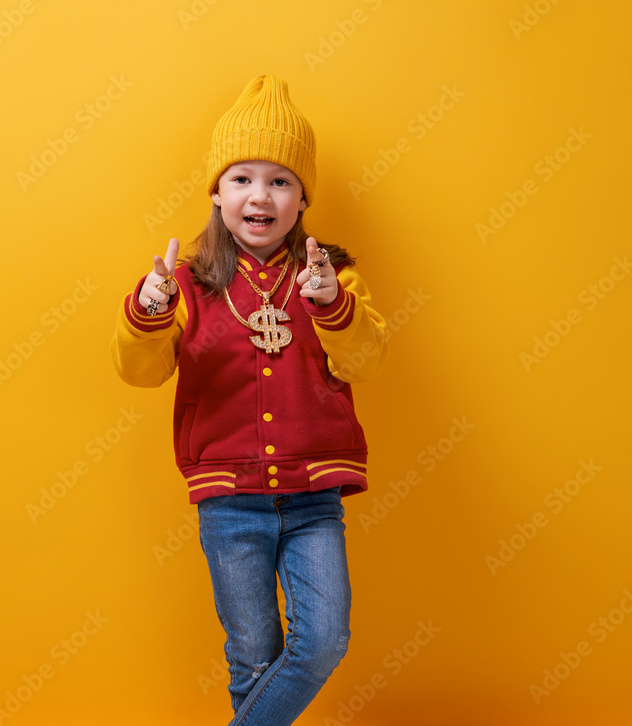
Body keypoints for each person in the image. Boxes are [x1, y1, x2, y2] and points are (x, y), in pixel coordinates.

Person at [109, 74, 389, 724]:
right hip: (229, 503)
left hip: (313, 500)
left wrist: (332, 307)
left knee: (322, 642)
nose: (259, 195)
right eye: (241, 179)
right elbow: (140, 371)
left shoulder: (331, 277)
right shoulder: (182, 283)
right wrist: (147, 314)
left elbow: (365, 359)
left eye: (280, 181)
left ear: (301, 199)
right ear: (217, 193)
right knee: (253, 656)